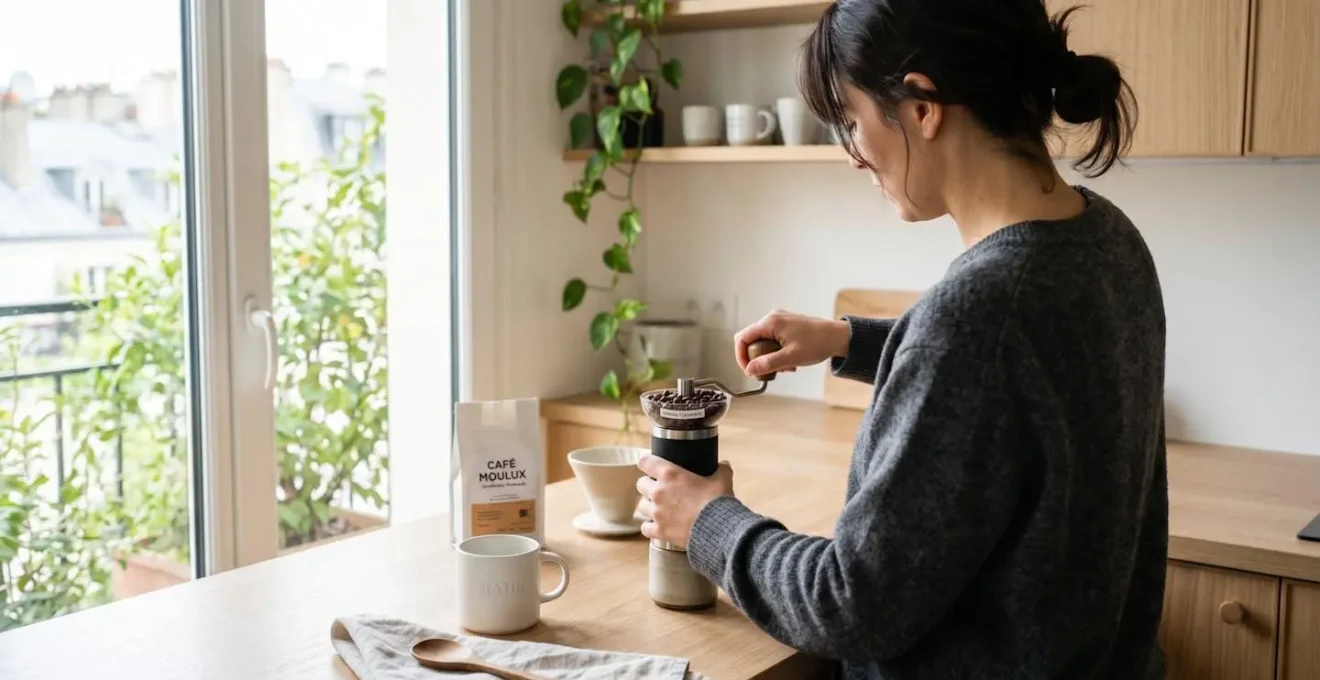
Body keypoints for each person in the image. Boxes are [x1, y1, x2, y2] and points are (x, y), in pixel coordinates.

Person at [634, 0, 1168, 677]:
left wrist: (707, 520)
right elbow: (1018, 389)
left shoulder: (977, 314)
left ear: (922, 106)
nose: (854, 156)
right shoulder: (1107, 237)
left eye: (852, 121)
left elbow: (850, 606)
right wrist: (846, 341)